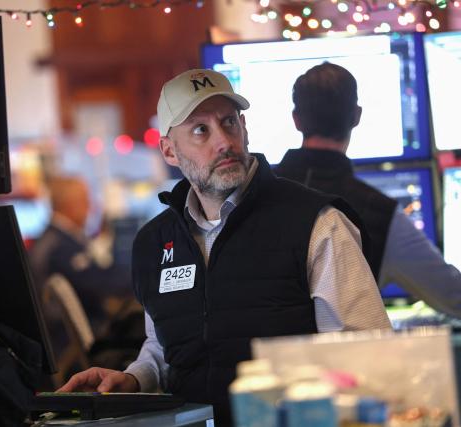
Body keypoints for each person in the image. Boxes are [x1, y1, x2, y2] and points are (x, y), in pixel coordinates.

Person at [58, 68, 391, 424]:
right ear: (170, 150)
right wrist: (134, 377)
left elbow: (364, 352)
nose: (224, 141)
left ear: (244, 128)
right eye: (201, 130)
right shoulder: (154, 244)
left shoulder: (316, 222)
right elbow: (164, 345)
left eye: (229, 122)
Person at [275, 61, 461, 329]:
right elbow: (456, 295)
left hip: (256, 367)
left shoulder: (248, 195)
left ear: (296, 120)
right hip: (341, 367)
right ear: (356, 116)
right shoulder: (379, 214)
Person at [29, 176, 134, 349]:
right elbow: (98, 283)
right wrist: (143, 276)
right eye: (86, 200)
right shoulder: (60, 247)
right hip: (70, 342)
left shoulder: (58, 239)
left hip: (70, 336)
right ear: (71, 204)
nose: (91, 207)